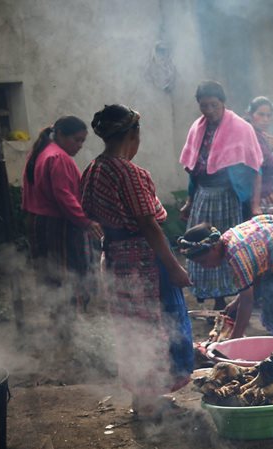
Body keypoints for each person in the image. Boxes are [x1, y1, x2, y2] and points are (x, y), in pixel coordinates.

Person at [80, 104, 194, 419]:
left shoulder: (93, 169)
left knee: (131, 327)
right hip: (141, 260)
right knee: (152, 325)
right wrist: (173, 266)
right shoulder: (127, 172)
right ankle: (149, 404)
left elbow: (91, 215)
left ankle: (143, 399)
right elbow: (148, 224)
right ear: (133, 134)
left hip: (115, 257)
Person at [178, 80, 263, 302]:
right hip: (203, 198)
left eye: (214, 105)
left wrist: (254, 204)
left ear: (223, 103)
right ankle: (211, 295)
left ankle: (232, 298)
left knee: (226, 248)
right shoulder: (197, 129)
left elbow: (256, 168)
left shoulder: (242, 129)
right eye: (204, 106)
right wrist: (189, 201)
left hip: (228, 198)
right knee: (201, 248)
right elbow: (193, 170)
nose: (209, 111)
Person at [21, 115, 102, 313]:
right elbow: (63, 195)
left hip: (39, 222)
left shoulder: (42, 152)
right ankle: (70, 321)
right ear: (59, 134)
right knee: (69, 273)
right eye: (76, 139)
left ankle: (57, 320)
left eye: (83, 141)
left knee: (50, 275)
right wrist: (85, 222)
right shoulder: (57, 157)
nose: (80, 145)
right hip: (58, 225)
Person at [247, 96, 273, 216]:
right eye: (261, 114)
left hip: (265, 194)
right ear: (250, 114)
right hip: (260, 198)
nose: (265, 119)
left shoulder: (262, 135)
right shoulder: (252, 136)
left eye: (268, 115)